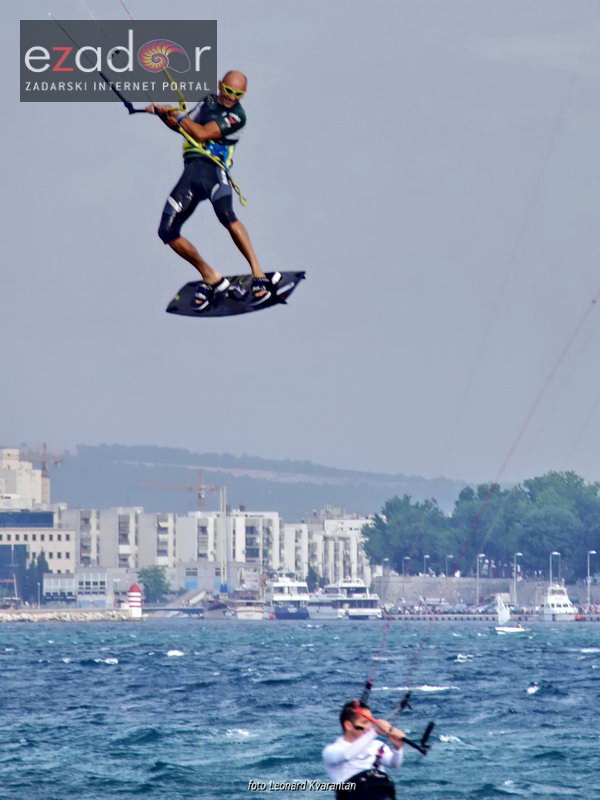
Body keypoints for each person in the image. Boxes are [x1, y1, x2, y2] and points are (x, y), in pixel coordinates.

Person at [147, 70, 270, 310]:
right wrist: (163, 115)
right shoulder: (208, 102)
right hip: (192, 174)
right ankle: (210, 275)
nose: (231, 97)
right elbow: (182, 127)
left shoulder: (237, 116)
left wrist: (178, 114)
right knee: (167, 231)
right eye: (229, 90)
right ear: (220, 85)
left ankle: (258, 273)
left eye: (238, 94)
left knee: (226, 215)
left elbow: (202, 133)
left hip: (214, 171)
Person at [322, 701, 405, 799]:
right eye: (364, 722)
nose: (369, 727)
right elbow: (347, 755)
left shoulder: (377, 745)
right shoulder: (332, 750)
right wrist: (375, 732)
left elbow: (394, 764)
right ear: (348, 725)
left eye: (370, 722)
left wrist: (398, 748)